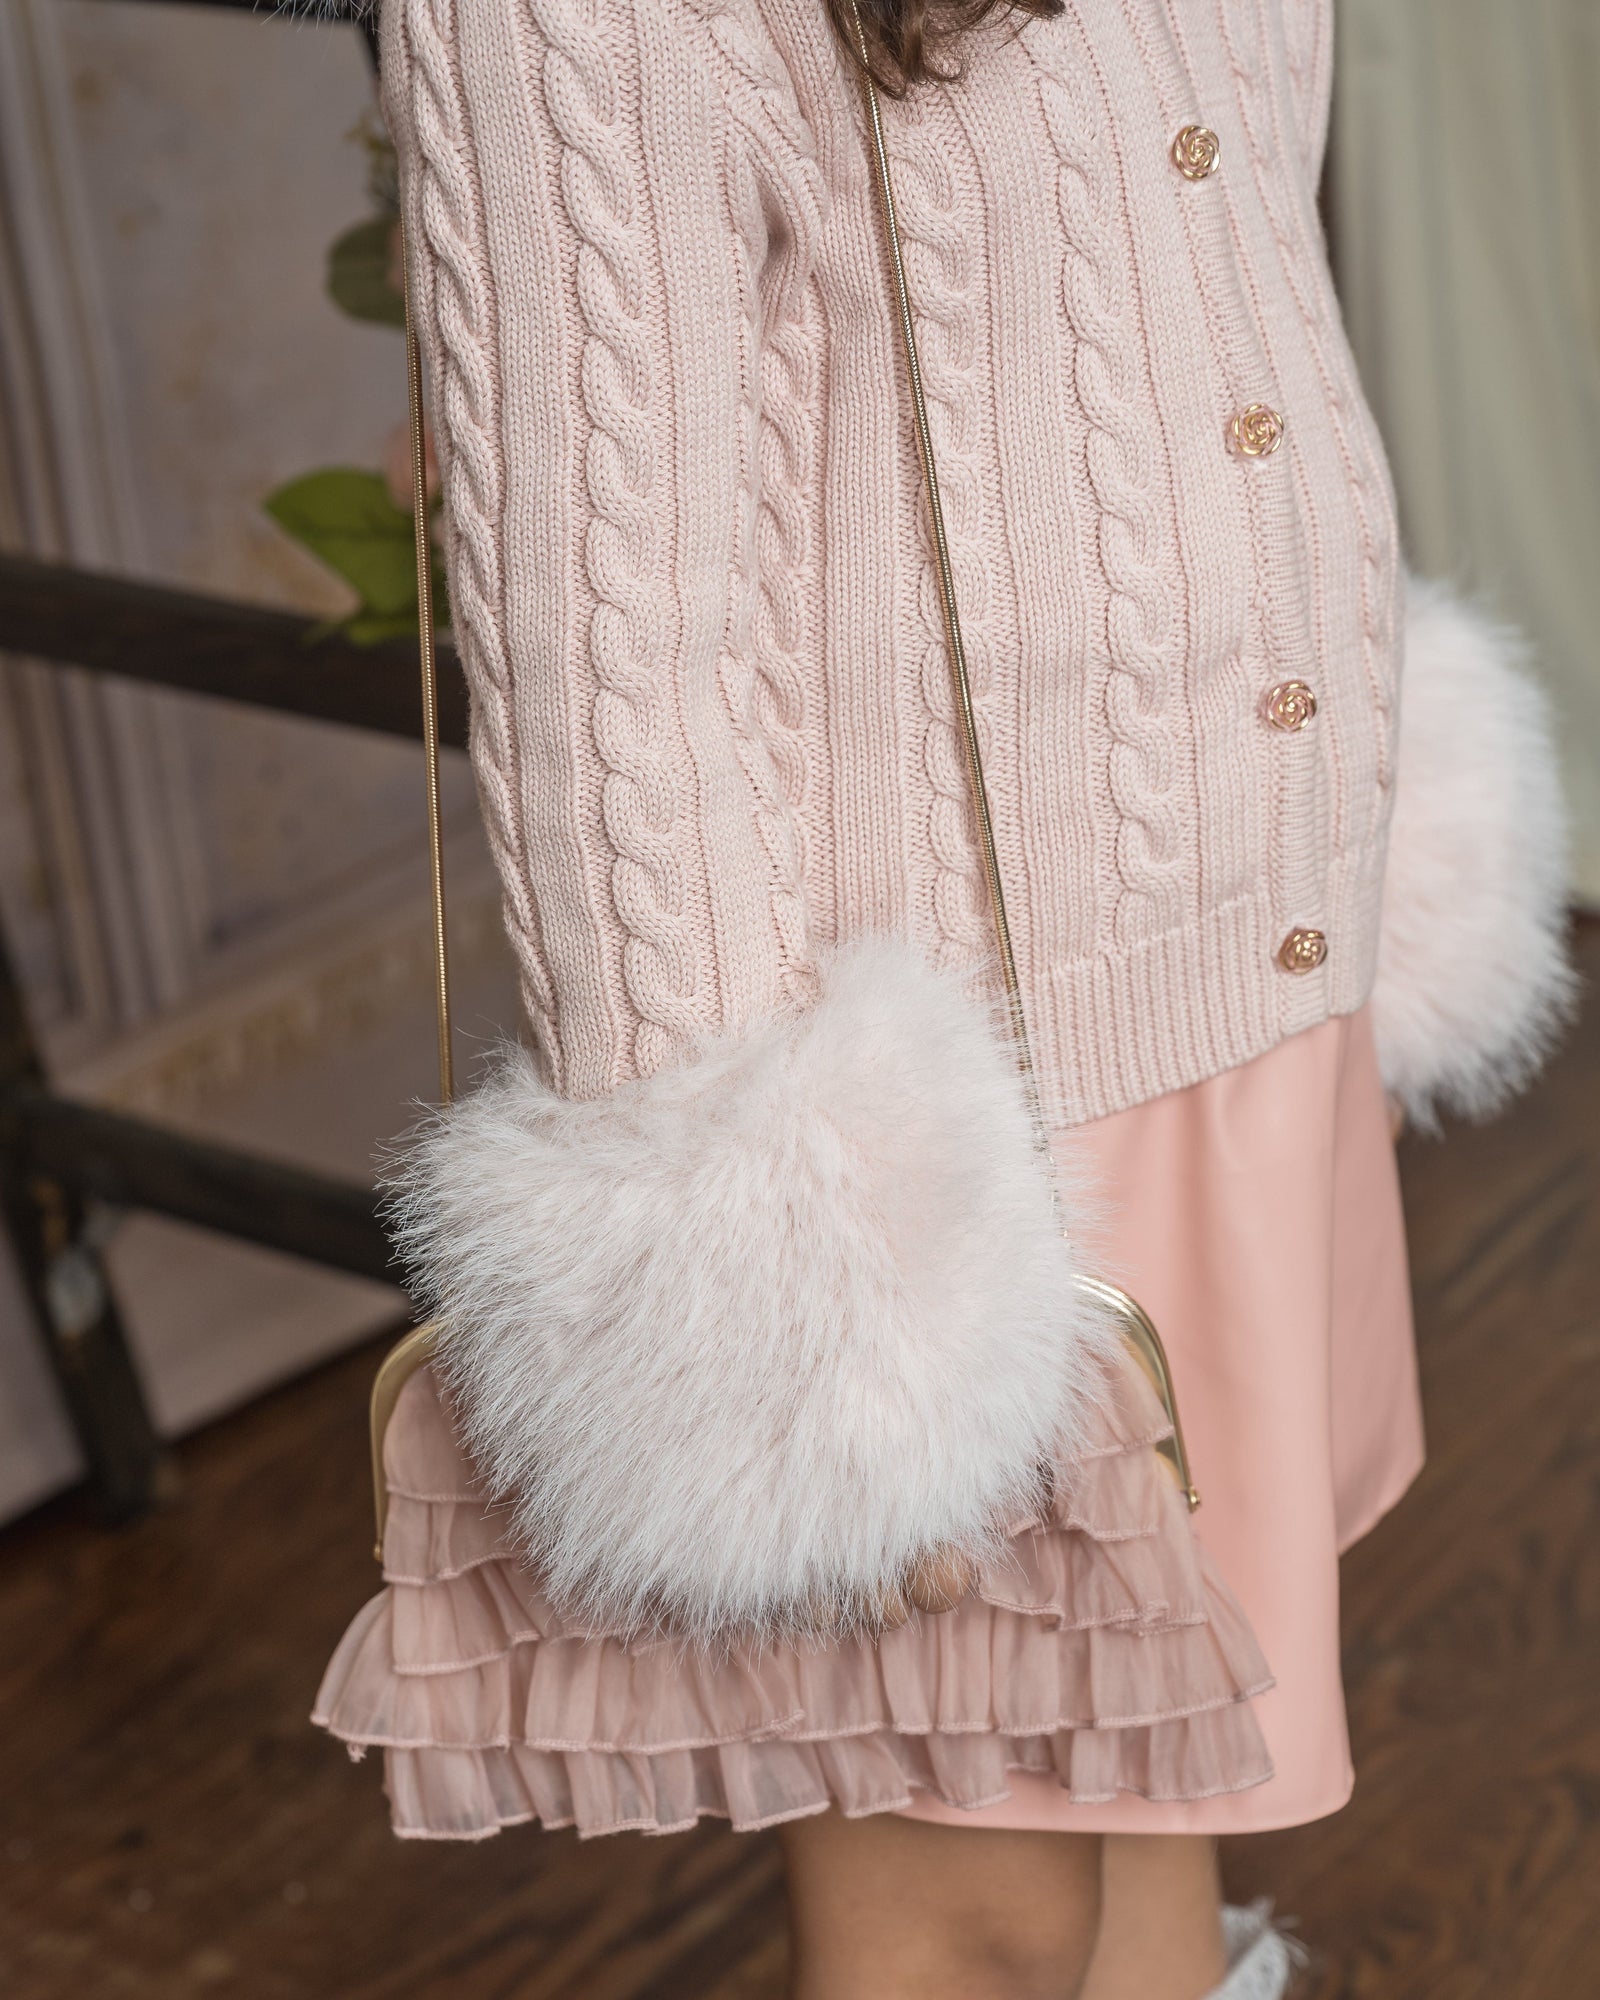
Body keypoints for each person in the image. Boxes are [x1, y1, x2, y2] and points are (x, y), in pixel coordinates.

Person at [314, 3, 1572, 1995]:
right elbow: (606, 643)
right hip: (933, 1131)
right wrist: (774, 1314)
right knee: (965, 1904)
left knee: (1156, 1784)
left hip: (1231, 965)